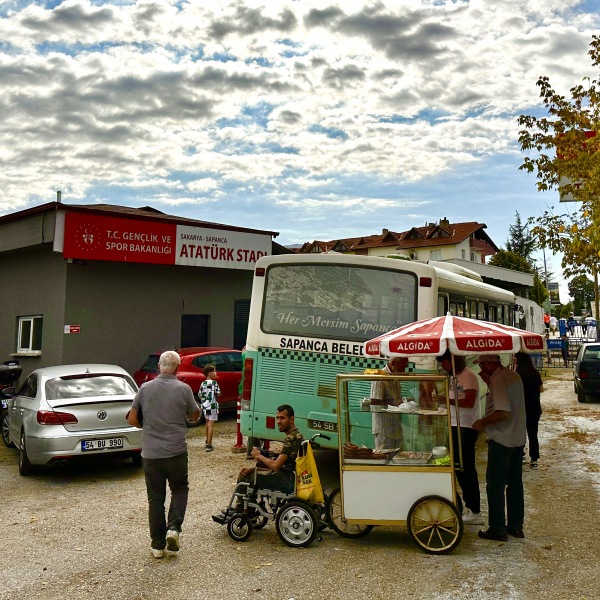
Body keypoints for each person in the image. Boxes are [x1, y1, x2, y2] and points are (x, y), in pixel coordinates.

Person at [128, 350, 200, 559]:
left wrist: (148, 427)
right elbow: (194, 416)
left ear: (159, 366)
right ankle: (173, 528)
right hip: (176, 451)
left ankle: (157, 546)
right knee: (179, 489)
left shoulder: (145, 388)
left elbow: (132, 419)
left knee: (155, 499)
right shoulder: (184, 389)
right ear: (177, 368)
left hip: (151, 453)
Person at [472, 354, 526, 542]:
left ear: (488, 364)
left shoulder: (498, 381)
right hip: (518, 437)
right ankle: (516, 526)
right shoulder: (513, 376)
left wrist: (483, 422)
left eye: (481, 365)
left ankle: (497, 528)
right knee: (515, 485)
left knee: (495, 486)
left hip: (502, 439)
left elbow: (503, 411)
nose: (480, 369)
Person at [436, 350, 483, 525]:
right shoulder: (453, 377)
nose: (443, 367)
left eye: (444, 363)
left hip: (466, 426)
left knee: (465, 468)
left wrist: (447, 401)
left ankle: (475, 509)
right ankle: (468, 505)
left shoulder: (468, 376)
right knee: (458, 467)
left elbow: (469, 401)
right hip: (455, 425)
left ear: (452, 361)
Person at [370, 357, 408, 450]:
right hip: (384, 430)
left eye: (405, 367)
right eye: (401, 367)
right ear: (393, 363)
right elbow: (374, 401)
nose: (403, 370)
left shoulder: (395, 376)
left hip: (395, 427)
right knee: (384, 457)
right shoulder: (380, 376)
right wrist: (394, 402)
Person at [514, 352, 544, 469]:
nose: (513, 360)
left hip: (522, 408)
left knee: (520, 433)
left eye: (515, 358)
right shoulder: (535, 372)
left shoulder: (518, 374)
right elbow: (541, 389)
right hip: (535, 408)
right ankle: (534, 459)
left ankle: (520, 455)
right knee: (533, 434)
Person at [199, 364, 220, 452]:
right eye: (214, 371)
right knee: (211, 425)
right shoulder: (214, 383)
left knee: (207, 423)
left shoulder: (202, 383)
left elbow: (200, 394)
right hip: (212, 405)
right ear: (209, 373)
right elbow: (218, 393)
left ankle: (207, 440)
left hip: (204, 406)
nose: (216, 373)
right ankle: (209, 445)